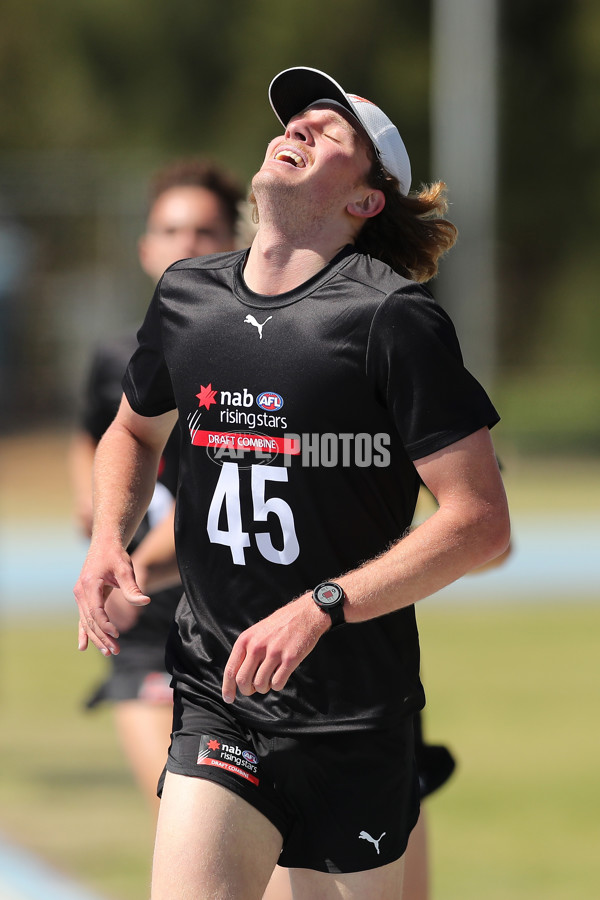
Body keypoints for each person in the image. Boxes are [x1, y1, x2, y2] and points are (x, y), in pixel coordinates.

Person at [74, 66, 510, 900]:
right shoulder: (187, 297)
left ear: (367, 200)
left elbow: (480, 521)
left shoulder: (393, 319)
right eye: (296, 120)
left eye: (331, 130)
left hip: (354, 714)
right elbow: (132, 430)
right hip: (218, 692)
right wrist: (107, 538)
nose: (299, 129)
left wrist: (324, 604)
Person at [70, 158, 244, 816]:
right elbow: (95, 430)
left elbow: (214, 490)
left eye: (203, 231)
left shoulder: (249, 355)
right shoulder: (118, 357)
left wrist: (133, 563)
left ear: (234, 243)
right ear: (145, 248)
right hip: (145, 625)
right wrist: (95, 515)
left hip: (230, 620)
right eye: (170, 231)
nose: (186, 245)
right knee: (182, 816)